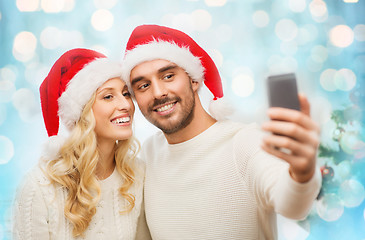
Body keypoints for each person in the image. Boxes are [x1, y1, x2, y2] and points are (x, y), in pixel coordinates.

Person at [121, 24, 322, 239]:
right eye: (143, 86)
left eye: (168, 76)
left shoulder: (244, 142)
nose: (159, 92)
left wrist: (303, 172)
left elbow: (291, 206)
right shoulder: (149, 154)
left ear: (194, 79)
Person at [12, 48, 150, 240]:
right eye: (108, 96)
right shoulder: (39, 187)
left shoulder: (137, 174)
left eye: (126, 94)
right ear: (81, 113)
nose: (126, 105)